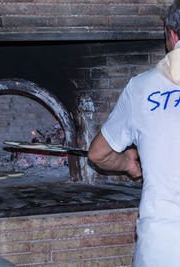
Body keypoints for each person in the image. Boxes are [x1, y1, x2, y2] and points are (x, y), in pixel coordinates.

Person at [88, 1, 180, 266]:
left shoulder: (141, 88)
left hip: (162, 243)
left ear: (171, 35)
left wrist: (126, 163)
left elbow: (98, 153)